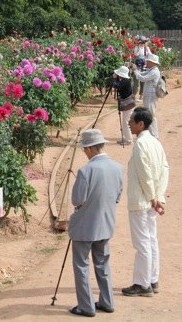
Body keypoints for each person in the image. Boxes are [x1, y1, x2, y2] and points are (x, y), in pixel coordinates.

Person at [68, 129, 124, 317]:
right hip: (106, 224)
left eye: (85, 149)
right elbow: (117, 197)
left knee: (81, 265)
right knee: (102, 263)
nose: (84, 152)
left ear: (91, 149)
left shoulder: (85, 171)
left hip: (85, 226)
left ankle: (86, 306)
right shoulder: (117, 168)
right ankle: (107, 301)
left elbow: (77, 200)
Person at [122, 107, 169, 297]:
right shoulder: (155, 142)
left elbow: (145, 174)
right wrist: (159, 197)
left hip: (142, 201)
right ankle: (152, 279)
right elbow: (164, 169)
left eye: (132, 121)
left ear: (141, 124)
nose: (129, 123)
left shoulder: (141, 144)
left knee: (142, 243)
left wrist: (152, 197)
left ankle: (142, 284)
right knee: (150, 240)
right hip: (151, 201)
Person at [132, 53, 161, 138]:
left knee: (150, 115)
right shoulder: (151, 69)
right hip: (148, 95)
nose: (146, 62)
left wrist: (135, 71)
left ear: (152, 62)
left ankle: (154, 135)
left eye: (148, 61)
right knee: (148, 114)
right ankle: (151, 134)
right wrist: (136, 70)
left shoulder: (155, 71)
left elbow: (143, 78)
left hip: (151, 96)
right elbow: (142, 74)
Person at [113, 65, 135, 145]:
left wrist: (114, 78)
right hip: (128, 103)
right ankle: (126, 138)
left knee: (126, 122)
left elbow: (115, 85)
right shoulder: (125, 80)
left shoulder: (125, 81)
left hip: (128, 104)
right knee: (125, 122)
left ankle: (129, 140)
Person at [131, 36, 151, 101]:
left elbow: (150, 55)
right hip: (137, 65)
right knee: (136, 80)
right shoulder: (136, 48)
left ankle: (141, 95)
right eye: (142, 42)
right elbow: (136, 54)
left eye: (144, 42)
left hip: (144, 65)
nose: (143, 43)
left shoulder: (147, 48)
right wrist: (139, 47)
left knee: (143, 80)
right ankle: (134, 95)